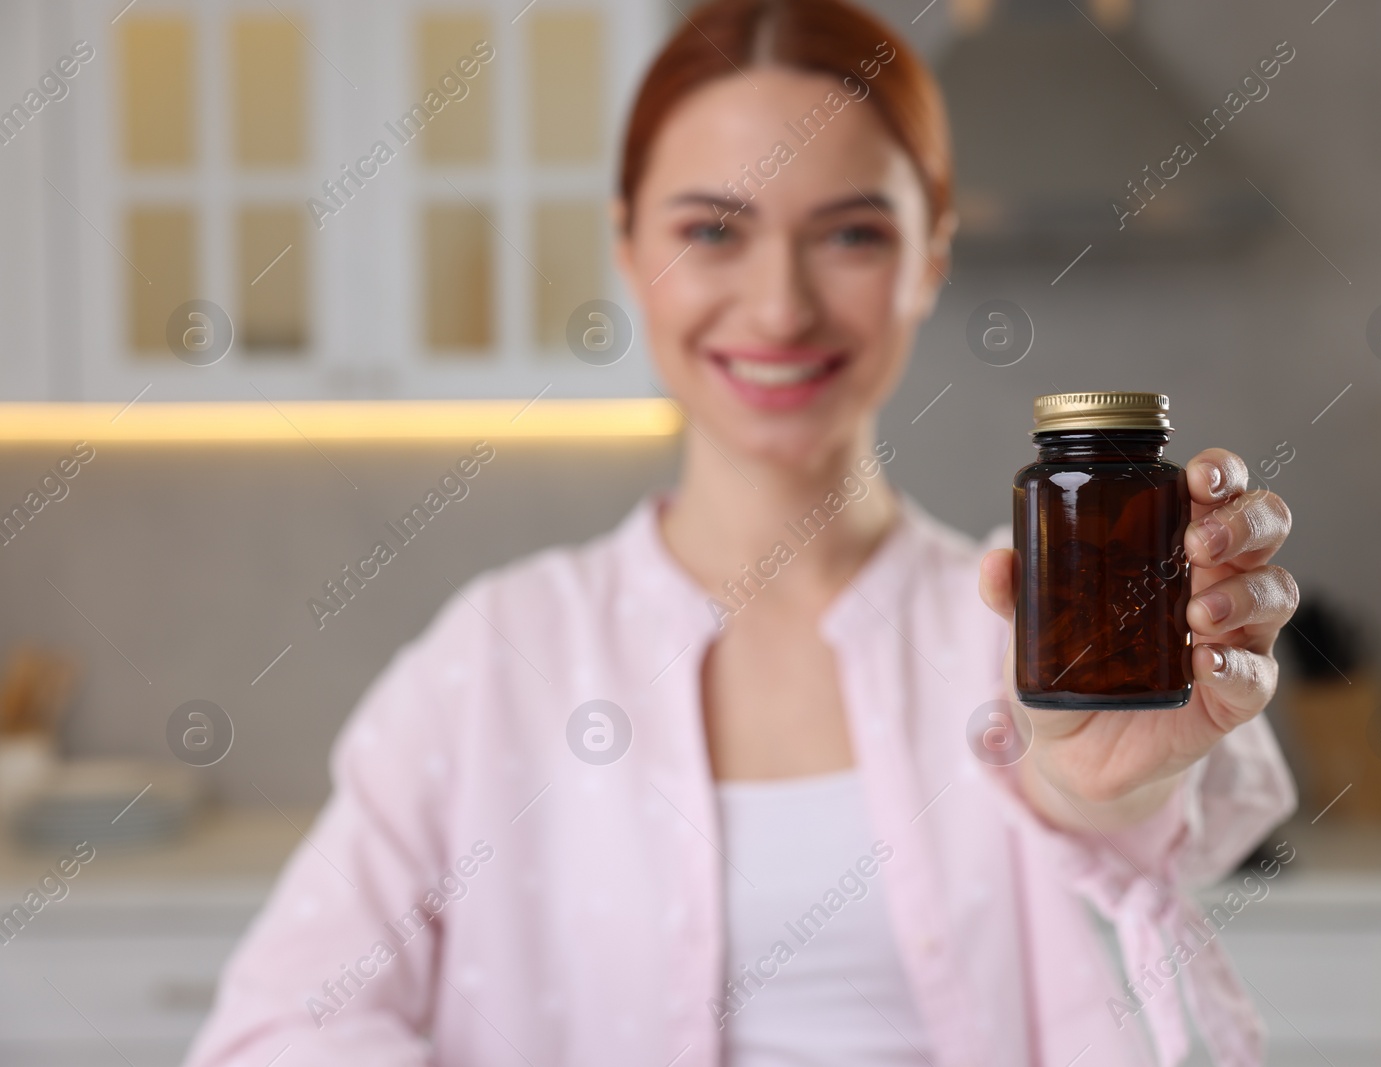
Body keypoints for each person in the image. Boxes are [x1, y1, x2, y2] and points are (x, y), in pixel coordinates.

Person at [184, 1, 1297, 1064]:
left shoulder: (1047, 637)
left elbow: (1143, 866)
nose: (778, 308)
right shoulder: (493, 660)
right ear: (626, 248)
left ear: (931, 253)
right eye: (712, 228)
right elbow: (277, 1033)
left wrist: (1105, 793)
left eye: (851, 232)